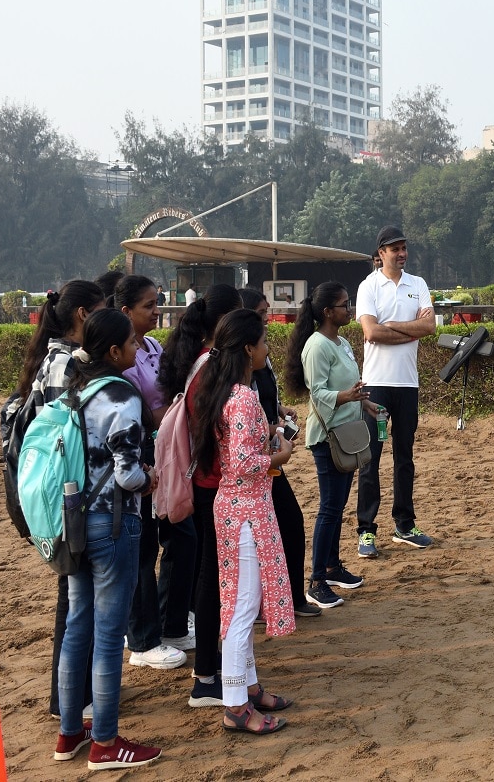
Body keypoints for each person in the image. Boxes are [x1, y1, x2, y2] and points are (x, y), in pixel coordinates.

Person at [54, 309, 162, 769]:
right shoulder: (122, 395)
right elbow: (127, 472)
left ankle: (69, 733)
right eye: (133, 345)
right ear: (114, 352)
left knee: (77, 625)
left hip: (74, 521)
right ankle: (105, 741)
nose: (139, 350)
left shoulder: (75, 390)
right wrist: (150, 477)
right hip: (114, 525)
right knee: (108, 632)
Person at [190, 308, 296, 735]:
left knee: (240, 604)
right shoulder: (244, 396)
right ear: (249, 348)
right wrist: (279, 455)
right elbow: (243, 462)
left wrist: (268, 437)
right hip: (247, 511)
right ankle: (235, 703)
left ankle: (248, 688)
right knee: (242, 609)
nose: (268, 349)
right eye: (265, 342)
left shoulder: (223, 392)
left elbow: (234, 453)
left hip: (233, 507)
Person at [11, 281, 106, 722]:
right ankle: (67, 699)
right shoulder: (70, 363)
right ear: (84, 315)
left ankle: (68, 697)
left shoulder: (51, 357)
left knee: (72, 594)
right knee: (73, 600)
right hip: (68, 491)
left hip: (55, 490)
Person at [159, 284, 246, 706]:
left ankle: (209, 671)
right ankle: (207, 677)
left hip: (206, 485)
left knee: (212, 581)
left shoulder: (201, 364)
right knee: (215, 584)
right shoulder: (213, 370)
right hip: (214, 488)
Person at [115, 275, 188, 673]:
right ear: (125, 312)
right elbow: (143, 407)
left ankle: (165, 623)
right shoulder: (121, 357)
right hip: (141, 449)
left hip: (167, 450)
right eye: (148, 305)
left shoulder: (155, 346)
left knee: (175, 533)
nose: (157, 310)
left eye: (157, 302)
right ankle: (142, 640)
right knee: (142, 547)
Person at [286, 282, 372, 609]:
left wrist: (365, 403)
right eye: (343, 304)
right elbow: (317, 393)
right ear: (326, 312)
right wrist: (346, 396)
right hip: (328, 438)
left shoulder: (342, 342)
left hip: (348, 432)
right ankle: (316, 581)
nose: (348, 309)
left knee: (337, 508)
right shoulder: (317, 346)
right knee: (328, 509)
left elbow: (350, 386)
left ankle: (333, 567)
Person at [354, 227, 438, 556]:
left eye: (404, 247)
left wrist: (392, 325)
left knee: (405, 457)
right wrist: (410, 329)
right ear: (381, 253)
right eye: (395, 249)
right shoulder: (368, 286)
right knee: (371, 458)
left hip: (407, 384)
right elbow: (371, 333)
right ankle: (366, 530)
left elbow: (429, 327)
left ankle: (404, 523)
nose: (401, 253)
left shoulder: (417, 285)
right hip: (376, 385)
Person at [239, 288, 319, 618]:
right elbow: (243, 414)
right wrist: (271, 430)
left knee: (284, 524)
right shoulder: (239, 366)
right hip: (258, 463)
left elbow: (264, 396)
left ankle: (287, 597)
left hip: (269, 456)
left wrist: (279, 411)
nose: (267, 320)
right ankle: (270, 604)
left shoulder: (260, 353)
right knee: (278, 526)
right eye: (260, 313)